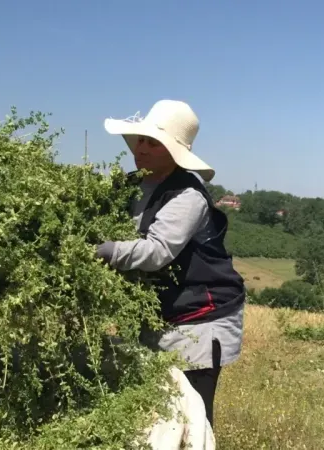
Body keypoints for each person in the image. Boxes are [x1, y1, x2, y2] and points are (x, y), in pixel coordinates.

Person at [95, 99, 246, 428]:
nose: (142, 149)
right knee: (153, 414)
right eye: (142, 141)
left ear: (174, 152)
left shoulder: (187, 196)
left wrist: (99, 250)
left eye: (154, 143)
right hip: (160, 316)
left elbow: (156, 251)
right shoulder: (130, 185)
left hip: (200, 323)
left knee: (191, 419)